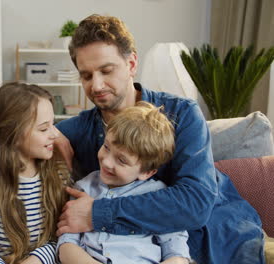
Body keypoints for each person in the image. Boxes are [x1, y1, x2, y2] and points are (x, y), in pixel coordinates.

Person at [55, 14, 265, 264]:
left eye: (106, 71)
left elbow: (195, 203)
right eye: (86, 76)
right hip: (140, 246)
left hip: (216, 228)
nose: (97, 85)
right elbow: (5, 136)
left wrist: (97, 213)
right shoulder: (80, 128)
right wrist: (47, 133)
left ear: (132, 63)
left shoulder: (182, 114)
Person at [58, 101, 191, 264]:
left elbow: (176, 253)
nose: (106, 162)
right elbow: (66, 244)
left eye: (121, 160)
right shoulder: (83, 188)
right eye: (106, 147)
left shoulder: (158, 198)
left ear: (146, 172)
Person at [0, 83, 70, 264]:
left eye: (53, 124)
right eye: (44, 129)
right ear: (12, 134)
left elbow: (64, 234)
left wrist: (36, 260)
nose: (55, 134)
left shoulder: (58, 171)